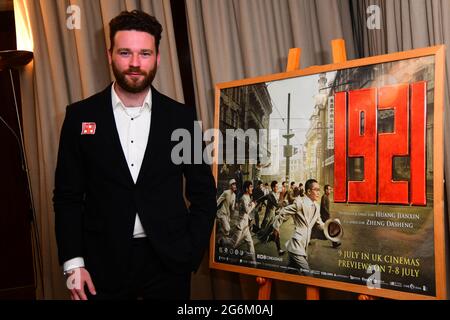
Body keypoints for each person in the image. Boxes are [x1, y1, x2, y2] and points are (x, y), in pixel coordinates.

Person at [53, 10, 217, 300]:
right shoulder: (79, 116)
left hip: (168, 264)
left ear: (157, 57)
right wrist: (73, 263)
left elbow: (203, 193)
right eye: (125, 52)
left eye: (145, 53)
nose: (135, 64)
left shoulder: (182, 118)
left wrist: (190, 251)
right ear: (110, 55)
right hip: (101, 265)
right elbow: (67, 197)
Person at [272, 179, 325, 274]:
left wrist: (330, 229)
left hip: (303, 246)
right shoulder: (300, 203)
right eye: (316, 190)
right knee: (308, 275)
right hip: (297, 246)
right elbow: (283, 212)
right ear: (308, 191)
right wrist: (276, 227)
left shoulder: (317, 206)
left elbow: (320, 222)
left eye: (319, 190)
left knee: (289, 272)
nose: (318, 192)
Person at [231, 181, 256, 264]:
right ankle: (223, 241)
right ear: (246, 188)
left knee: (250, 243)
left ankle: (254, 263)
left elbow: (246, 213)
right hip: (240, 226)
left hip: (246, 227)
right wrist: (253, 204)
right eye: (250, 187)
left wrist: (250, 219)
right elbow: (247, 210)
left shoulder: (248, 197)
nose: (252, 188)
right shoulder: (243, 198)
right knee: (233, 244)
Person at [216, 179, 237, 246]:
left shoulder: (234, 195)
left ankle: (220, 240)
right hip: (222, 213)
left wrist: (235, 208)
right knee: (227, 228)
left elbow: (232, 207)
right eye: (233, 184)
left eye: (235, 184)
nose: (235, 186)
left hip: (227, 214)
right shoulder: (226, 192)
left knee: (226, 230)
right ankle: (223, 240)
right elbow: (219, 200)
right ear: (230, 186)